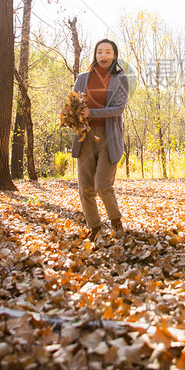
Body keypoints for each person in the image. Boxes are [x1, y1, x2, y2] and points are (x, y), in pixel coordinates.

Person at [71, 38, 129, 241]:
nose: (103, 56)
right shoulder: (82, 78)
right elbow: (74, 105)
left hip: (109, 138)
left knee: (102, 184)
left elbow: (119, 109)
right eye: (99, 52)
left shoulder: (120, 79)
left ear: (114, 55)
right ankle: (94, 227)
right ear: (95, 55)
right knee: (85, 186)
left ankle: (116, 221)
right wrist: (74, 115)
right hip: (84, 137)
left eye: (107, 52)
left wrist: (91, 113)